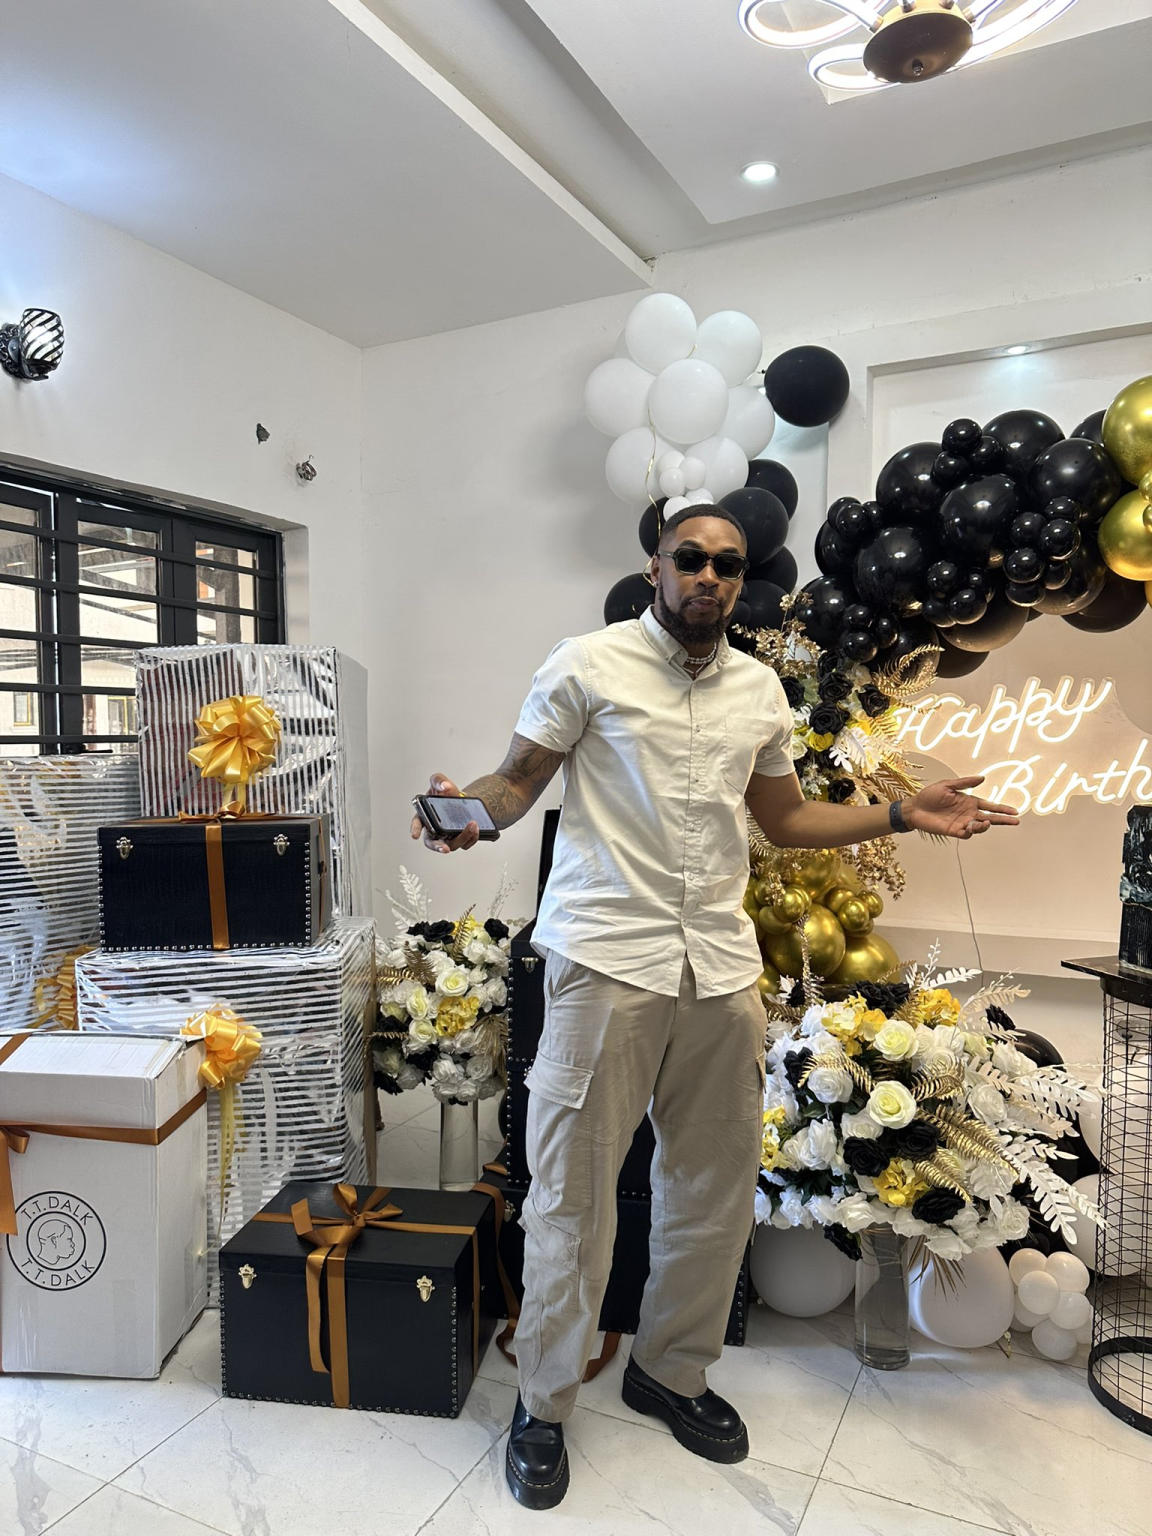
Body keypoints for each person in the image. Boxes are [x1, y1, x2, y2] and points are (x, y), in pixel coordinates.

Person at [411, 506, 1018, 1510]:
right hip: (605, 962)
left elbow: (784, 816)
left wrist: (901, 810)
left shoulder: (758, 690)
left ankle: (670, 1372)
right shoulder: (588, 664)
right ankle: (545, 1404)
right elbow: (516, 783)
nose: (708, 576)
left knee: (712, 1192)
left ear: (741, 581)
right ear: (656, 566)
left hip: (719, 973)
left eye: (726, 566)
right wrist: (467, 816)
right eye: (690, 559)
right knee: (570, 1197)